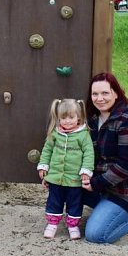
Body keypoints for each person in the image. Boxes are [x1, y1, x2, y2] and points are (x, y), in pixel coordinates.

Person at [82, 72, 128, 243]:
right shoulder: (92, 120)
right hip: (101, 185)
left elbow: (126, 165)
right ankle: (106, 210)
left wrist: (95, 184)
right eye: (95, 94)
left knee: (96, 235)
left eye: (105, 93)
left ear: (116, 93)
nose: (99, 98)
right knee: (64, 188)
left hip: (127, 191)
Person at [37, 98, 95, 240]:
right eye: (63, 118)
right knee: (54, 201)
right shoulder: (55, 133)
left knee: (74, 202)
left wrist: (86, 171)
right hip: (56, 177)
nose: (67, 121)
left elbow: (89, 153)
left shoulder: (83, 135)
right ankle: (52, 223)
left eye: (71, 117)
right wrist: (43, 166)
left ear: (78, 118)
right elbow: (47, 150)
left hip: (74, 179)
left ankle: (72, 225)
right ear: (58, 118)